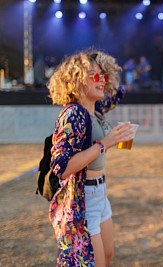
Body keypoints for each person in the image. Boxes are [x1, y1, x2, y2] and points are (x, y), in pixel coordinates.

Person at [47, 50, 134, 267]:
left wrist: (99, 63)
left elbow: (119, 91)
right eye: (94, 75)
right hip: (83, 197)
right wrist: (104, 144)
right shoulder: (73, 114)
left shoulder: (95, 110)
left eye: (104, 76)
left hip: (100, 194)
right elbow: (62, 167)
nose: (102, 80)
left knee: (107, 257)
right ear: (77, 80)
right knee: (93, 262)